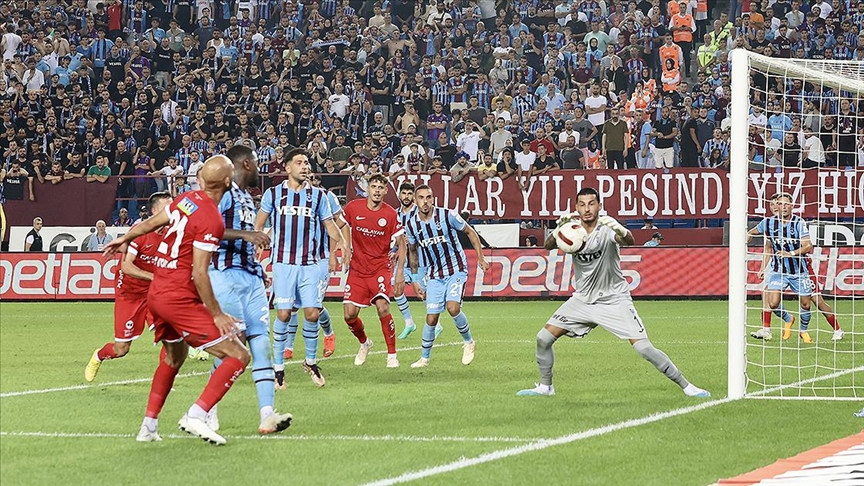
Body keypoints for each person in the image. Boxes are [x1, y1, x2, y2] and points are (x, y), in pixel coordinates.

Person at [102, 155, 252, 445]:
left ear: (201, 180)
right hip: (178, 298)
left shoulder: (187, 200)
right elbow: (199, 273)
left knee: (174, 357)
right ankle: (197, 414)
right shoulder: (211, 218)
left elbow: (151, 222)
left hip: (157, 292)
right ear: (227, 182)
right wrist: (217, 313)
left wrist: (125, 238)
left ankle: (148, 427)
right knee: (238, 355)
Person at [517, 187, 710, 398]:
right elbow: (548, 246)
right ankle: (546, 387)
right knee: (543, 338)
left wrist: (621, 230)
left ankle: (688, 386)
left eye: (591, 203)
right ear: (576, 208)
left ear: (599, 206)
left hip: (614, 299)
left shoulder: (607, 229)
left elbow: (628, 241)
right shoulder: (572, 230)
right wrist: (557, 230)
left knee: (644, 348)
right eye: (582, 204)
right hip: (582, 300)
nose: (587, 209)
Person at [204, 145, 293, 434]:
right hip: (225, 275)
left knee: (261, 344)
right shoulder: (224, 194)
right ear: (246, 164)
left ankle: (267, 414)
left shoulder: (246, 198)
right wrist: (247, 234)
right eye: (256, 162)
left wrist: (258, 269)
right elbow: (207, 229)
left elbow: (245, 240)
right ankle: (207, 409)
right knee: (234, 346)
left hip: (251, 279)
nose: (259, 167)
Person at [255, 148, 346, 389]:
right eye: (299, 162)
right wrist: (255, 245)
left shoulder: (318, 196)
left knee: (312, 313)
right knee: (284, 314)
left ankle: (311, 362)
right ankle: (278, 369)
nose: (305, 166)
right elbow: (259, 224)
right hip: (284, 264)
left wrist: (342, 245)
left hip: (310, 265)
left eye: (307, 162)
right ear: (287, 167)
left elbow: (330, 225)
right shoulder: (273, 194)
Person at [85, 192, 171, 382]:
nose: (173, 211)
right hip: (129, 293)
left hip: (154, 293)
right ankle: (98, 356)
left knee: (170, 336)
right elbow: (127, 266)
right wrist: (155, 277)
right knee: (121, 349)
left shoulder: (171, 233)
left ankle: (163, 382)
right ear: (155, 211)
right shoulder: (139, 231)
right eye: (168, 207)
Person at [404, 185, 489, 368]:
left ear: (433, 199)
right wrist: (415, 280)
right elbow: (413, 251)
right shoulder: (411, 225)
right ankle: (424, 358)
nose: (425, 201)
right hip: (434, 274)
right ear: (415, 200)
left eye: (428, 197)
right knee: (431, 318)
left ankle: (468, 342)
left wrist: (480, 257)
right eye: (421, 198)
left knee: (452, 307)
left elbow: (470, 232)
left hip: (456, 269)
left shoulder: (447, 215)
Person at [341, 174, 406, 368]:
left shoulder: (390, 214)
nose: (377, 190)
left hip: (380, 269)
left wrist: (400, 272)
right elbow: (339, 225)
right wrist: (343, 247)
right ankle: (365, 343)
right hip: (357, 270)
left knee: (383, 307)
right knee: (349, 315)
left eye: (380, 187)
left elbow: (402, 243)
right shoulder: (353, 207)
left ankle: (392, 355)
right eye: (374, 186)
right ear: (367, 189)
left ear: (386, 191)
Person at [280, 174, 342, 361]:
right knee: (291, 304)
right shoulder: (286, 197)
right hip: (295, 260)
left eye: (312, 177)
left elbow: (341, 222)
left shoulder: (326, 196)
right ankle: (288, 346)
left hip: (320, 259)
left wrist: (334, 253)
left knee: (314, 305)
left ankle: (329, 334)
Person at [746, 192, 813, 343]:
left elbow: (808, 245)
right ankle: (788, 318)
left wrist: (790, 253)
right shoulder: (768, 223)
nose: (783, 207)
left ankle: (803, 331)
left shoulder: (799, 223)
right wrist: (748, 235)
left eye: (786, 204)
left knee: (806, 304)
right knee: (773, 303)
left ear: (792, 206)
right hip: (778, 271)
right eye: (780, 204)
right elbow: (756, 235)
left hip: (799, 271)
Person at [392, 183, 441, 340]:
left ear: (413, 197)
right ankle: (409, 323)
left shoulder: (420, 212)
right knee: (396, 289)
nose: (406, 196)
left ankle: (437, 325)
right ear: (399, 195)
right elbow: (396, 237)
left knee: (423, 293)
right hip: (402, 262)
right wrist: (393, 251)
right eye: (404, 193)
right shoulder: (394, 214)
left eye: (409, 194)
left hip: (419, 260)